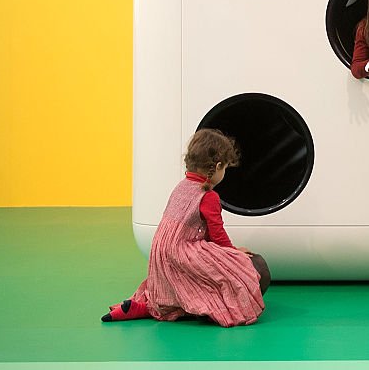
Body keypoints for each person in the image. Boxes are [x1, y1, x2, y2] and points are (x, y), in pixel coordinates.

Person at [102, 129, 268, 327]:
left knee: (193, 280)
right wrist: (234, 253)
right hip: (183, 253)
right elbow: (217, 236)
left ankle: (144, 307)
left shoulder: (182, 187)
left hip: (162, 256)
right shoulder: (208, 196)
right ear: (217, 167)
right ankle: (212, 307)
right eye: (225, 168)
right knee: (255, 268)